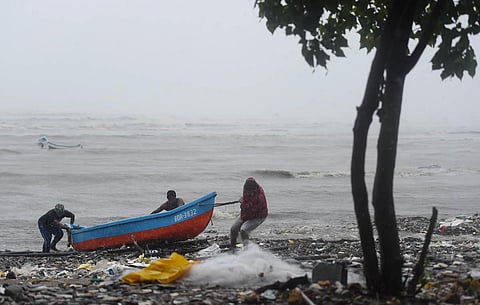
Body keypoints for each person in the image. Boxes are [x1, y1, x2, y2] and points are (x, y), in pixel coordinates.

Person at [230, 177, 268, 251]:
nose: (247, 193)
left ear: (254, 190)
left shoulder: (259, 197)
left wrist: (243, 203)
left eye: (249, 192)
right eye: (247, 191)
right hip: (246, 213)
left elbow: (252, 210)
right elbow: (246, 204)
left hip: (258, 216)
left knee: (244, 230)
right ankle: (232, 247)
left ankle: (247, 250)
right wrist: (243, 201)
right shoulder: (247, 187)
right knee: (233, 229)